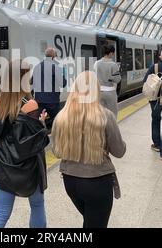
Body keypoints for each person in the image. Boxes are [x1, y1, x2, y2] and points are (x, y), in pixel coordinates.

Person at [51, 71, 126, 228]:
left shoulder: (61, 117)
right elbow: (119, 152)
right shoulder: (106, 116)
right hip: (98, 183)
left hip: (70, 182)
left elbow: (57, 153)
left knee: (90, 221)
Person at [0, 59, 49, 228]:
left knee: (1, 213)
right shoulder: (30, 105)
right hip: (28, 165)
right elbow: (35, 139)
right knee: (37, 205)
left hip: (3, 162)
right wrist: (42, 122)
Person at [31, 47, 67, 128]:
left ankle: (40, 137)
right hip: (52, 101)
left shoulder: (37, 67)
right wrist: (64, 74)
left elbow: (32, 82)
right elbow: (63, 84)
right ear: (53, 56)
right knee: (57, 122)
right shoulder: (55, 67)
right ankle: (57, 137)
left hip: (39, 100)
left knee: (38, 122)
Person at [94, 45, 121, 117]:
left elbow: (95, 75)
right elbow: (118, 79)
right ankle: (110, 128)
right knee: (112, 115)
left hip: (99, 92)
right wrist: (111, 77)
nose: (113, 55)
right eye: (113, 53)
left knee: (100, 114)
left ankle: (102, 128)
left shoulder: (96, 63)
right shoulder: (113, 65)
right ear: (110, 53)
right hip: (110, 92)